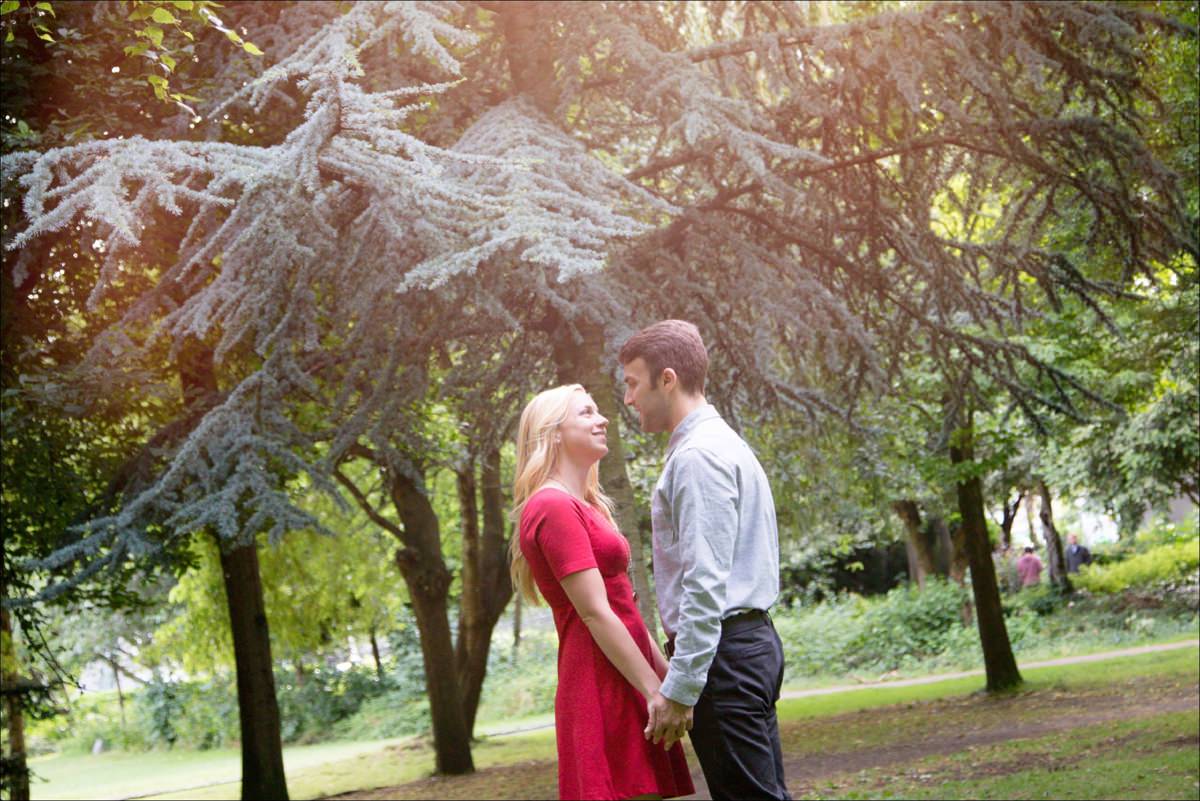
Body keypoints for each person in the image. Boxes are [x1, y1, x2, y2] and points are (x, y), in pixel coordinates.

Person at [620, 320, 791, 800]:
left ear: (667, 378)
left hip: (726, 656)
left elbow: (704, 583)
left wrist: (681, 686)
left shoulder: (698, 457)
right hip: (741, 647)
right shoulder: (720, 444)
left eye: (633, 384)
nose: (629, 399)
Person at [510, 384, 694, 801]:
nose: (603, 419)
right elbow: (595, 612)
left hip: (625, 672)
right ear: (554, 432)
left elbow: (622, 607)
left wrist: (669, 679)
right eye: (587, 413)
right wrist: (654, 689)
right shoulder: (553, 506)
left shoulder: (588, 505)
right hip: (599, 683)